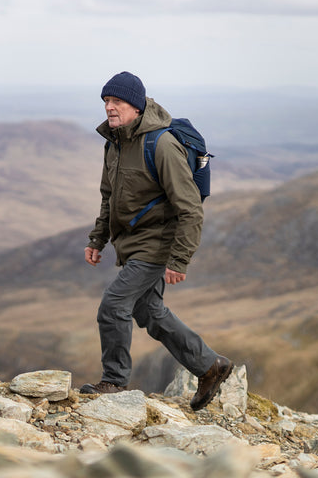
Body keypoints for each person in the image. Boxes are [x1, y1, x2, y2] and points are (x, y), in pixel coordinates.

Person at [80, 71, 231, 411]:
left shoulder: (161, 144)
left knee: (114, 304)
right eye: (106, 101)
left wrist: (179, 260)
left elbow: (190, 208)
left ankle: (114, 382)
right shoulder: (115, 142)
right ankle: (210, 366)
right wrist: (97, 239)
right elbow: (109, 197)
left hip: (156, 244)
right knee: (150, 312)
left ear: (136, 105)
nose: (109, 107)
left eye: (116, 101)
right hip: (131, 244)